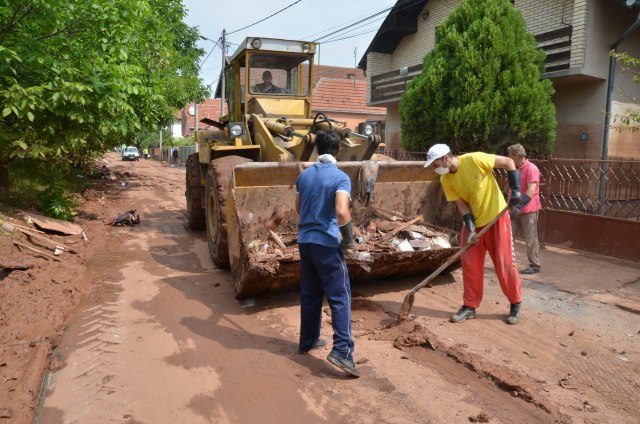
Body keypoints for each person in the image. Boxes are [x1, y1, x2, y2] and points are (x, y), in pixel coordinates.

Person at [424, 144, 523, 325]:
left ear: (446, 158)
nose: (434, 169)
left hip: (496, 217)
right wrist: (470, 229)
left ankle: (515, 303)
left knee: (505, 263)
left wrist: (515, 190)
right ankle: (470, 306)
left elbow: (508, 162)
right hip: (474, 222)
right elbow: (462, 206)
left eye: (435, 165)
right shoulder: (446, 180)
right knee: (470, 264)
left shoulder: (474, 159)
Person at [295, 130, 359, 377]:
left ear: (317, 149)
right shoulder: (341, 177)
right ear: (338, 151)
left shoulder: (304, 175)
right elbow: (342, 211)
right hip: (327, 245)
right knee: (340, 296)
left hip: (305, 242)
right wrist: (348, 240)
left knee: (310, 293)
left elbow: (298, 208)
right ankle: (342, 351)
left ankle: (308, 340)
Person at [507, 143, 542, 274]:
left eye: (510, 155)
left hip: (528, 210)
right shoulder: (514, 169)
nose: (508, 157)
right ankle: (507, 263)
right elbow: (509, 188)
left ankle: (535, 265)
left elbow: (531, 190)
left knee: (530, 238)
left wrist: (519, 206)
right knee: (508, 237)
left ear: (517, 155)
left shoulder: (531, 168)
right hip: (514, 209)